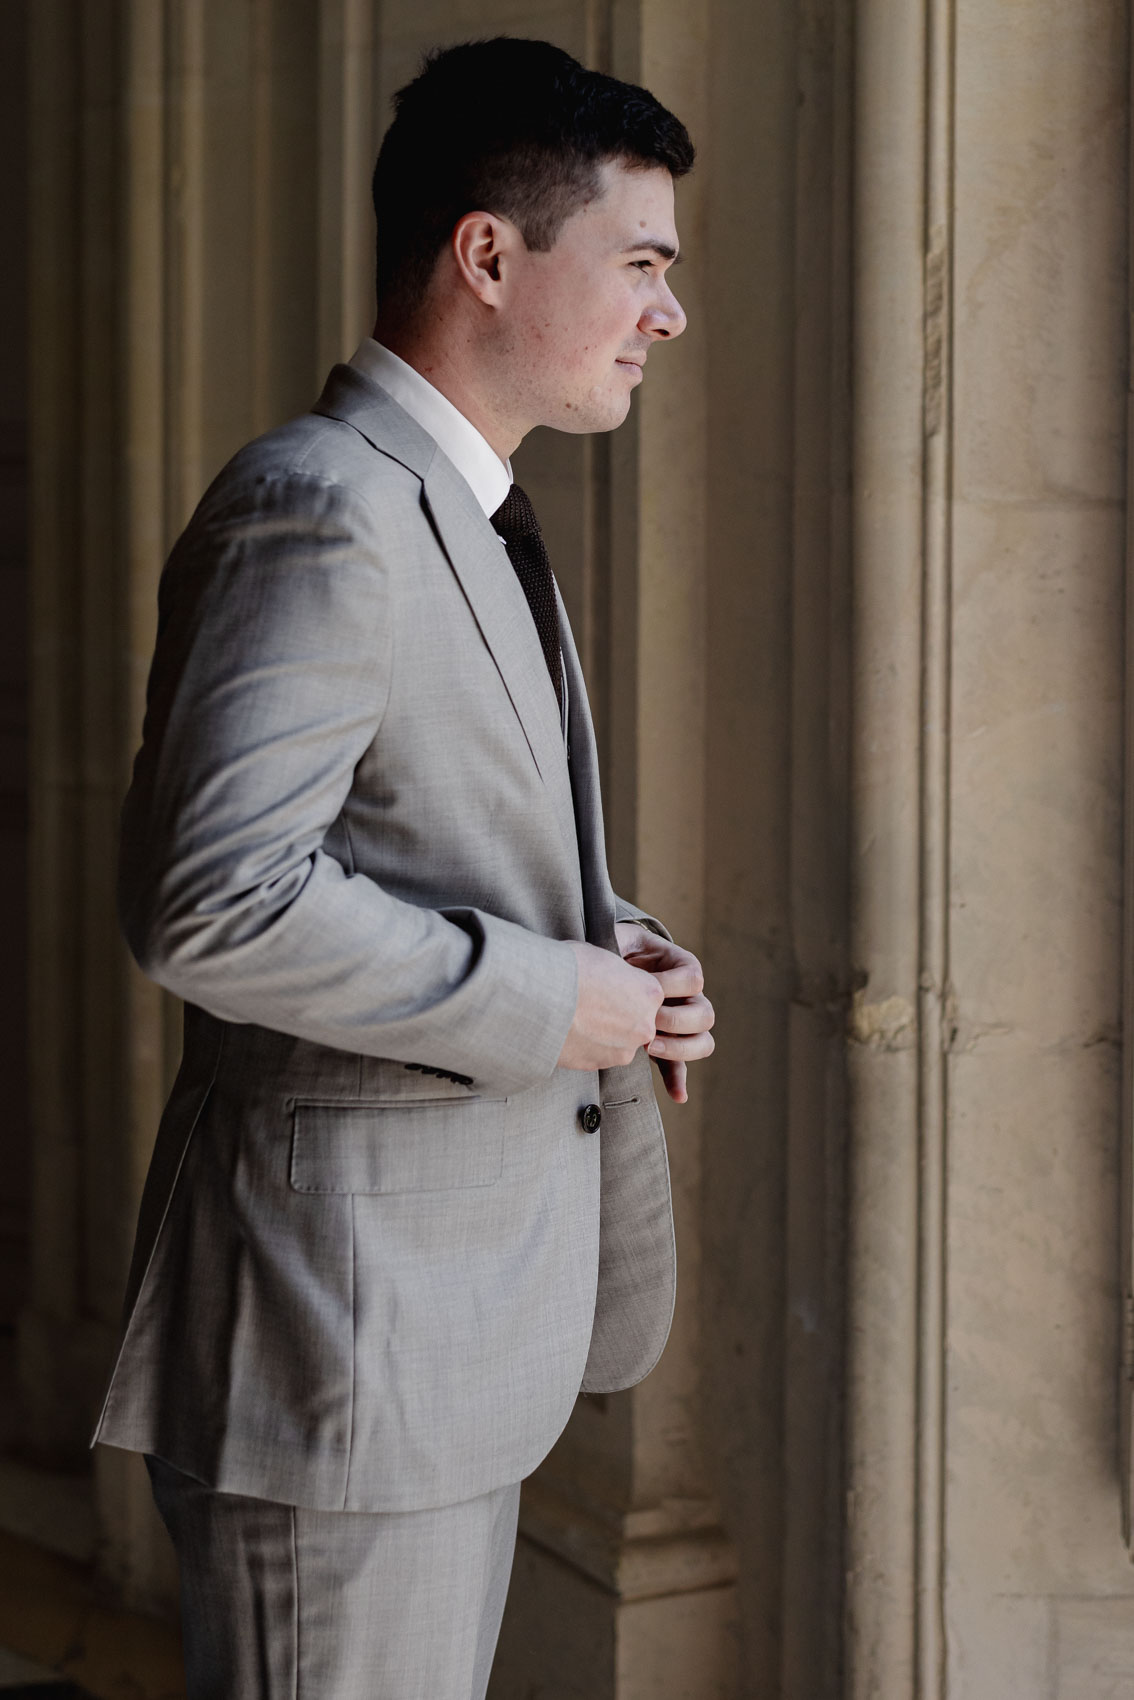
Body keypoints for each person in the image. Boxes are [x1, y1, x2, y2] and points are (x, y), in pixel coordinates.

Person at [92, 35, 715, 1700]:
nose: (668, 313)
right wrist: (546, 998)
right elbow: (212, 902)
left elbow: (434, 836)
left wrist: (624, 955)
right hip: (346, 1350)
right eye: (641, 263)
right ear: (488, 252)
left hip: (438, 1329)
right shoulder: (322, 507)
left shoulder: (470, 507)